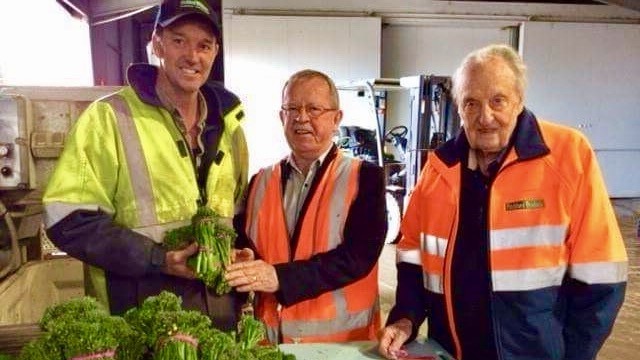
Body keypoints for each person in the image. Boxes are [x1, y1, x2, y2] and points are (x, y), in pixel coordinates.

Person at [378, 44, 628, 360]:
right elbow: (412, 253)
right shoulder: (439, 168)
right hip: (450, 351)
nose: (485, 117)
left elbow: (603, 275)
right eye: (471, 103)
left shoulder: (567, 155)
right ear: (458, 107)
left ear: (519, 101)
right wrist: (406, 316)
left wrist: (574, 354)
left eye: (498, 100)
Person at [42, 0, 248, 331]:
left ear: (215, 52)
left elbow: (236, 215)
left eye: (203, 45)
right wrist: (157, 259)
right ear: (156, 44)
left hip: (218, 317)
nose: (192, 56)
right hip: (138, 317)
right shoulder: (109, 117)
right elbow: (69, 219)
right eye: (179, 40)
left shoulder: (229, 126)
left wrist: (242, 252)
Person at [225, 69, 387, 343]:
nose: (302, 118)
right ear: (281, 117)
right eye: (292, 108)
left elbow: (358, 257)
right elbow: (247, 241)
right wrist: (245, 256)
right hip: (271, 342)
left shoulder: (364, 177)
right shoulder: (260, 181)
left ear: (336, 119)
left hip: (341, 345)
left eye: (314, 109)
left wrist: (279, 278)